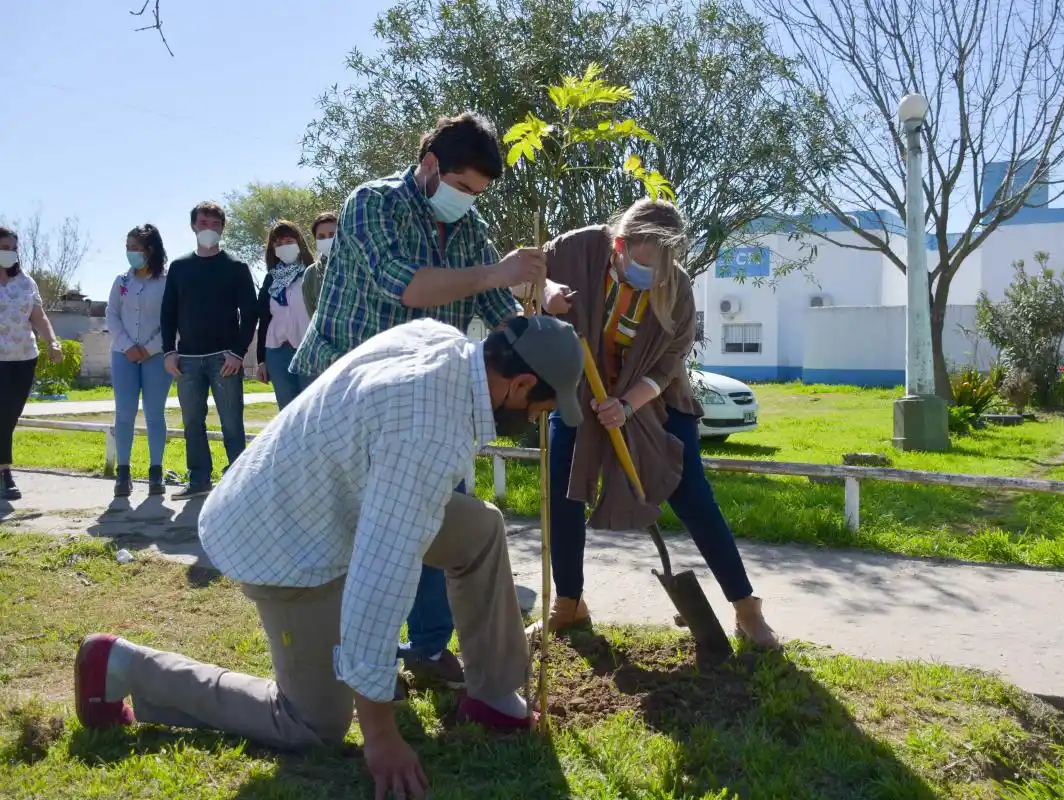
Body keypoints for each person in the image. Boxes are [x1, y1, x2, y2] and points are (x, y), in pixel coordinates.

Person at [74, 314, 585, 800]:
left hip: (334, 495)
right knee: (315, 722)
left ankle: (493, 695)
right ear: (518, 385)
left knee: (480, 528)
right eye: (540, 409)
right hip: (282, 535)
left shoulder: (441, 341)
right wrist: (380, 733)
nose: (535, 418)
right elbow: (379, 579)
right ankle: (118, 665)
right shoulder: (431, 433)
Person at [290, 112, 564, 689]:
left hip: (420, 401)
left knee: (442, 512)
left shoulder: (470, 230)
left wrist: (537, 319)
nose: (469, 201)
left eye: (479, 193)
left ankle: (430, 648)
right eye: (463, 187)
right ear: (431, 164)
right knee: (356, 528)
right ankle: (359, 652)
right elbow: (409, 285)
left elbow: (497, 312)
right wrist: (498, 274)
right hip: (344, 401)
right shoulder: (371, 204)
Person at [538, 199, 780, 647]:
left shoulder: (679, 290)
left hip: (656, 398)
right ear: (620, 245)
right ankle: (569, 604)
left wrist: (627, 405)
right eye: (644, 265)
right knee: (563, 487)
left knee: (691, 492)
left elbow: (667, 367)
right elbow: (520, 271)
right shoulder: (580, 249)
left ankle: (747, 608)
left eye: (663, 269)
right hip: (581, 390)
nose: (652, 277)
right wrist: (545, 290)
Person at [161, 201, 258, 500]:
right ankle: (200, 479)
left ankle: (239, 484)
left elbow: (251, 313)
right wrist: (168, 351)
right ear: (193, 226)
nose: (209, 229)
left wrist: (238, 353)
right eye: (204, 223)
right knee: (192, 423)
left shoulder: (236, 268)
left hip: (225, 359)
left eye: (215, 224)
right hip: (187, 360)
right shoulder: (179, 268)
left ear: (222, 228)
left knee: (231, 422)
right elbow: (168, 312)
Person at [105, 224, 173, 497]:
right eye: (128, 248)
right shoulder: (121, 281)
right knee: (124, 412)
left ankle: (156, 472)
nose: (131, 253)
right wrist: (127, 345)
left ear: (151, 249)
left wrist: (151, 347)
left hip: (156, 356)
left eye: (137, 248)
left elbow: (172, 319)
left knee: (155, 413)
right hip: (124, 356)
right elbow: (112, 314)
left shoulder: (168, 281)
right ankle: (123, 472)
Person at [0, 225, 63, 502]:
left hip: (24, 358)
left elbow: (38, 317)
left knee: (10, 415)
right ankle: (6, 475)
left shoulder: (26, 281)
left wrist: (52, 342)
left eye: (13, 248)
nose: (9, 253)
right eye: (3, 248)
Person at [255, 220, 316, 409]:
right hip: (277, 352)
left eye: (289, 241)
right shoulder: (270, 279)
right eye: (278, 244)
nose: (284, 247)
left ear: (299, 243)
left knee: (311, 408)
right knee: (287, 412)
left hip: (309, 351)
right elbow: (264, 320)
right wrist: (261, 360)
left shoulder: (313, 273)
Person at [302, 211, 337, 317]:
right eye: (321, 237)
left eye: (333, 235)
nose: (328, 239)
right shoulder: (311, 274)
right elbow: (312, 316)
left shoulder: (358, 264)